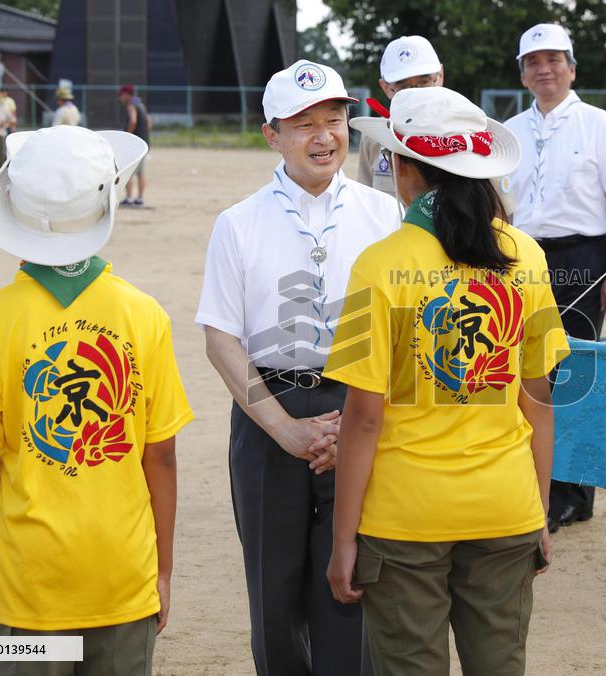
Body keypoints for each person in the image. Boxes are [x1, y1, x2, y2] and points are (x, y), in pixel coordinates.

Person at [325, 85, 570, 676]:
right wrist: (538, 510)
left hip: (404, 518)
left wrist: (343, 540)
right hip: (505, 507)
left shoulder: (379, 265)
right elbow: (538, 399)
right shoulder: (527, 256)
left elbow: (364, 417)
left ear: (404, 166)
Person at [0, 124, 192, 674]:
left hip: (26, 580)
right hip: (122, 572)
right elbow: (162, 455)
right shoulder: (145, 315)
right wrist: (163, 569)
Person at [196, 59, 399, 675]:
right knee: (273, 589)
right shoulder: (238, 223)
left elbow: (402, 333)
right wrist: (285, 428)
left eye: (334, 120)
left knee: (351, 581)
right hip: (267, 413)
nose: (323, 136)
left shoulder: (386, 214)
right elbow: (220, 336)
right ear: (272, 135)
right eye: (303, 124)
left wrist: (353, 423)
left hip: (358, 410)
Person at [504, 23, 606, 532]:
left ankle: (571, 494)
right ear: (522, 75)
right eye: (533, 63)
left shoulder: (600, 123)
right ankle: (532, 481)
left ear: (572, 68)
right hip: (522, 259)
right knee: (525, 371)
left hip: (582, 257)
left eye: (554, 60)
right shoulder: (510, 131)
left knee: (571, 374)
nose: (545, 70)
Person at [357, 35, 443, 196]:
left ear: (440, 76)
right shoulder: (374, 137)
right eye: (403, 87)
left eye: (424, 82)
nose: (415, 93)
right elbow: (364, 200)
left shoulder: (470, 136)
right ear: (385, 87)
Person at [117, 84, 151, 207]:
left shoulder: (131, 105)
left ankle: (129, 198)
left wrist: (128, 137)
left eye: (121, 95)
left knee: (128, 171)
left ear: (126, 95)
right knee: (141, 173)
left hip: (134, 145)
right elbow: (148, 121)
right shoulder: (141, 104)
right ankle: (140, 198)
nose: (120, 98)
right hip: (144, 143)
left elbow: (133, 121)